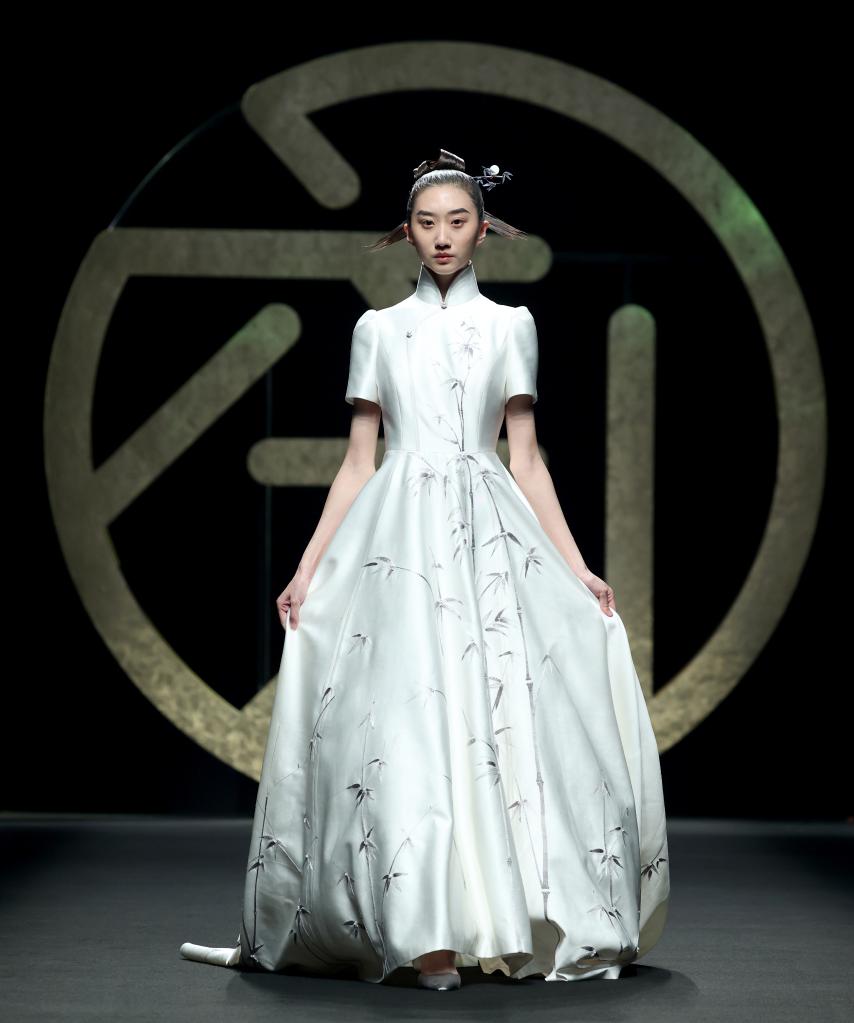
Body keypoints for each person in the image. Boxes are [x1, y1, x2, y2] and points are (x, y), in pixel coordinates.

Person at [180, 148, 670, 992]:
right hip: (397, 535)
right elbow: (357, 460)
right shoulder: (377, 329)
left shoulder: (512, 324)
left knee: (491, 716)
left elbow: (525, 458)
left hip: (485, 533)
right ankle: (423, 932)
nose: (442, 236)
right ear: (404, 232)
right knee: (403, 721)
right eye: (426, 222)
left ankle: (490, 919)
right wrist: (307, 565)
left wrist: (577, 566)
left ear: (483, 229)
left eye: (457, 221)